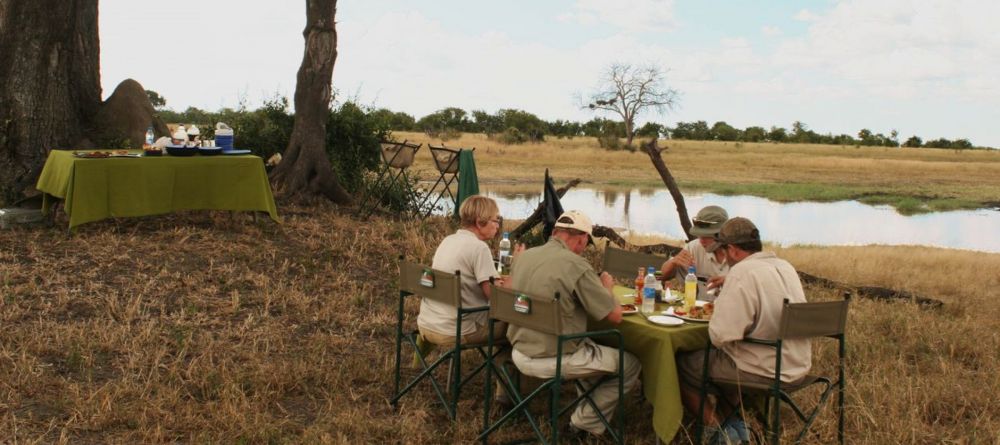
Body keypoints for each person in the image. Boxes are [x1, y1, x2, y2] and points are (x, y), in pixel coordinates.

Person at [507, 210, 641, 439]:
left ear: (556, 233)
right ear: (581, 238)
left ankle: (586, 410)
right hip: (555, 356)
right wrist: (606, 287)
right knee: (630, 364)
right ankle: (583, 424)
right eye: (585, 244)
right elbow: (615, 316)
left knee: (591, 347)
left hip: (519, 350)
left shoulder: (524, 257)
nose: (583, 248)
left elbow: (510, 291)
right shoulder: (576, 265)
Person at [675, 217, 810, 444]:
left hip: (766, 370)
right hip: (798, 366)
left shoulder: (742, 272)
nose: (724, 257)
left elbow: (719, 336)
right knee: (729, 357)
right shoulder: (785, 267)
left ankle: (715, 429)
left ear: (734, 250)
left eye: (725, 250)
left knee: (681, 364)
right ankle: (733, 424)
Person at [416, 195, 523, 405]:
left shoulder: (449, 240)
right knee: (516, 328)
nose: (497, 225)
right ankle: (508, 396)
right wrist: (519, 266)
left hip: (428, 323)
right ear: (479, 222)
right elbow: (496, 297)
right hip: (456, 329)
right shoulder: (479, 248)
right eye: (495, 220)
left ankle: (506, 392)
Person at [660, 205, 730, 301]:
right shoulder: (694, 247)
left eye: (707, 236)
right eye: (699, 235)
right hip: (699, 311)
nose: (701, 240)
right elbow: (661, 276)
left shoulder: (739, 254)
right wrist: (673, 262)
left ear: (723, 234)